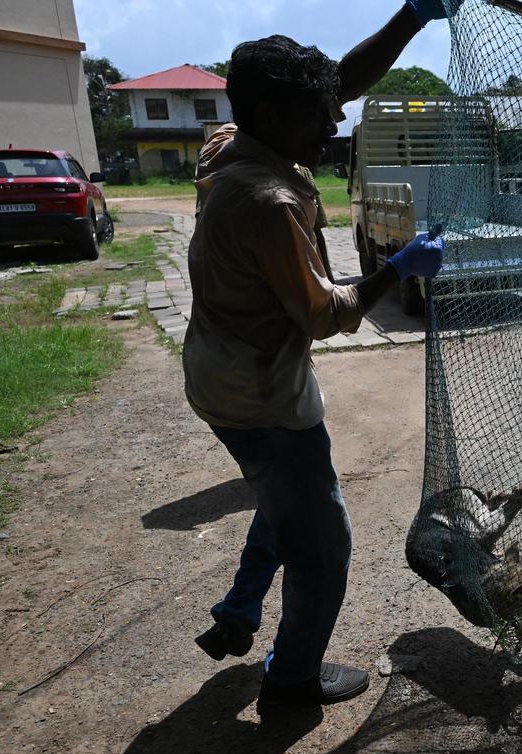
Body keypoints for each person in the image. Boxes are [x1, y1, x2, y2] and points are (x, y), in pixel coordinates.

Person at [187, 0, 451, 712]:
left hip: (217, 375)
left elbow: (338, 84)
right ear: (273, 116)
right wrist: (400, 267)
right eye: (320, 114)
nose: (337, 122)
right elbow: (325, 313)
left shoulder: (230, 142)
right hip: (262, 396)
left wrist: (411, 17)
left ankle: (241, 609)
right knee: (323, 546)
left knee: (285, 498)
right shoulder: (267, 201)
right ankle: (293, 681)